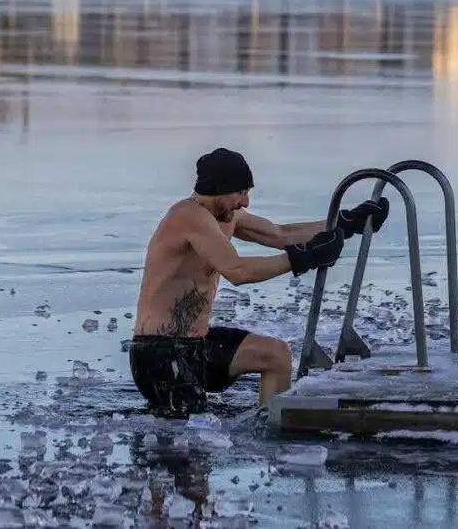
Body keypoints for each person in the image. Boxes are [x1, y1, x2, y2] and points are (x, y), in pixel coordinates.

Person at [129, 147, 389, 417]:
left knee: (275, 354)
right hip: (158, 353)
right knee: (193, 429)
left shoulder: (227, 217)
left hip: (198, 345)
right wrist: (302, 258)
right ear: (219, 188)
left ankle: (270, 430)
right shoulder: (187, 216)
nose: (246, 202)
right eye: (241, 192)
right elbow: (237, 270)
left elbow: (281, 234)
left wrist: (346, 222)